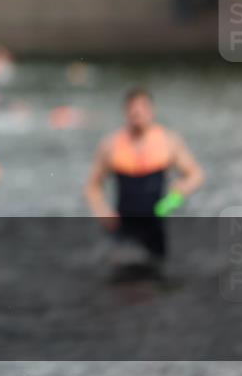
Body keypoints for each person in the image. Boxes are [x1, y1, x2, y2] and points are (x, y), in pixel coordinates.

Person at [85, 88, 205, 261]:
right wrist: (103, 213)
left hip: (155, 223)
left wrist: (180, 191)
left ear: (152, 111)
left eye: (142, 108)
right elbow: (93, 187)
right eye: (133, 109)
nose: (137, 113)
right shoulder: (110, 145)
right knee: (119, 275)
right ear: (126, 112)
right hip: (122, 224)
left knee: (155, 274)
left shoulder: (169, 142)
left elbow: (196, 175)